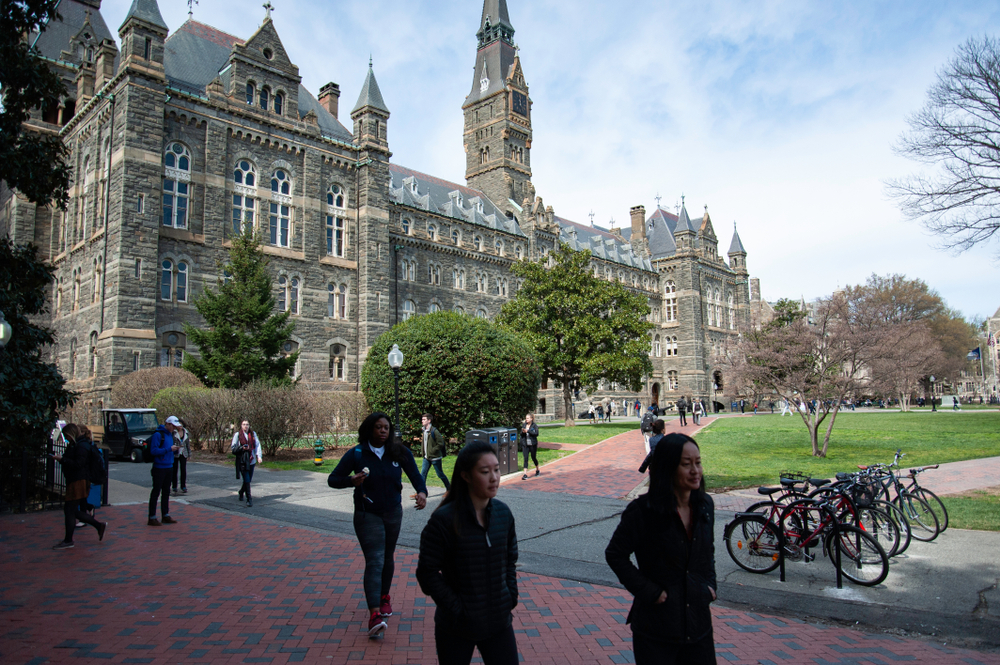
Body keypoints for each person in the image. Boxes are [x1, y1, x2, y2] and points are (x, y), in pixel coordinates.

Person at [606, 434, 717, 664]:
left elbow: (707, 552)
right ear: (668, 468)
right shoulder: (643, 511)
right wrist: (649, 591)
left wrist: (709, 585)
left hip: (698, 626)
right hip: (657, 629)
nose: (695, 470)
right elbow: (615, 554)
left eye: (698, 462)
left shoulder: (705, 505)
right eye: (686, 464)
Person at [417, 441, 518, 665]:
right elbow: (427, 573)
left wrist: (510, 595)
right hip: (457, 626)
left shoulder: (503, 514)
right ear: (466, 476)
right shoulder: (444, 520)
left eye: (497, 469)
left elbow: (510, 559)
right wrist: (458, 609)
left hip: (499, 622)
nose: (494, 477)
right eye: (485, 471)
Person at [328, 412, 428, 638]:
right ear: (369, 429)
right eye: (378, 427)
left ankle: (384, 597)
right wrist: (350, 481)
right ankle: (374, 614)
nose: (383, 431)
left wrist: (422, 492)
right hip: (367, 514)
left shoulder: (398, 452)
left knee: (388, 555)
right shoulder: (357, 453)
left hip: (393, 512)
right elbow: (332, 479)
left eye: (386, 428)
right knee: (375, 559)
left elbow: (415, 475)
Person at [52, 424, 107, 549]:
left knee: (70, 510)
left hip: (78, 480)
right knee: (71, 510)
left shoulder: (81, 446)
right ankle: (98, 526)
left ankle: (69, 540)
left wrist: (62, 460)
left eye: (67, 436)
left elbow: (79, 464)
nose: (66, 439)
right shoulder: (79, 444)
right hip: (77, 480)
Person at [148, 417, 180, 526]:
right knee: (156, 492)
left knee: (166, 492)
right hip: (159, 467)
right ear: (167, 424)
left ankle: (165, 514)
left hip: (168, 466)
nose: (173, 428)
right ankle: (152, 516)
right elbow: (154, 450)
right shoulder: (158, 435)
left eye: (175, 426)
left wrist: (174, 451)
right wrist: (168, 449)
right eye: (172, 426)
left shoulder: (170, 435)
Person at [231, 420, 262, 507]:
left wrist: (259, 456)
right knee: (247, 479)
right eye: (244, 424)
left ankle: (241, 492)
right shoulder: (238, 435)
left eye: (247, 424)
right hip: (242, 461)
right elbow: (233, 448)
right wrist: (242, 448)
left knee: (248, 480)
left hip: (251, 460)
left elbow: (257, 445)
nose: (246, 426)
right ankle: (249, 499)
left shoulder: (253, 434)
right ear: (241, 426)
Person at [420, 413, 450, 492]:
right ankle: (421, 492)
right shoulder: (424, 430)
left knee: (440, 474)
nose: (422, 421)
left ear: (429, 421)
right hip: (426, 457)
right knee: (423, 474)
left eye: (424, 419)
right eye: (422, 419)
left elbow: (440, 443)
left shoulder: (434, 431)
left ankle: (449, 490)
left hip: (435, 457)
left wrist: (432, 451)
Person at [171, 417, 191, 495]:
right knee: (174, 470)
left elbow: (188, 444)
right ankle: (174, 486)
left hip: (183, 452)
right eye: (178, 425)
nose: (180, 427)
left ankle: (183, 486)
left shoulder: (186, 432)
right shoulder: (173, 433)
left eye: (181, 425)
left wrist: (189, 454)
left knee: (183, 469)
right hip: (176, 452)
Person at [521, 413, 540, 480]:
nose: (526, 419)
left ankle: (537, 470)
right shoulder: (524, 425)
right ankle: (525, 474)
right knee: (525, 458)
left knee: (533, 457)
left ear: (531, 419)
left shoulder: (534, 426)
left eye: (528, 418)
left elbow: (536, 433)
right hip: (525, 445)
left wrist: (528, 431)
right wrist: (523, 431)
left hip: (532, 444)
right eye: (526, 418)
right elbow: (521, 434)